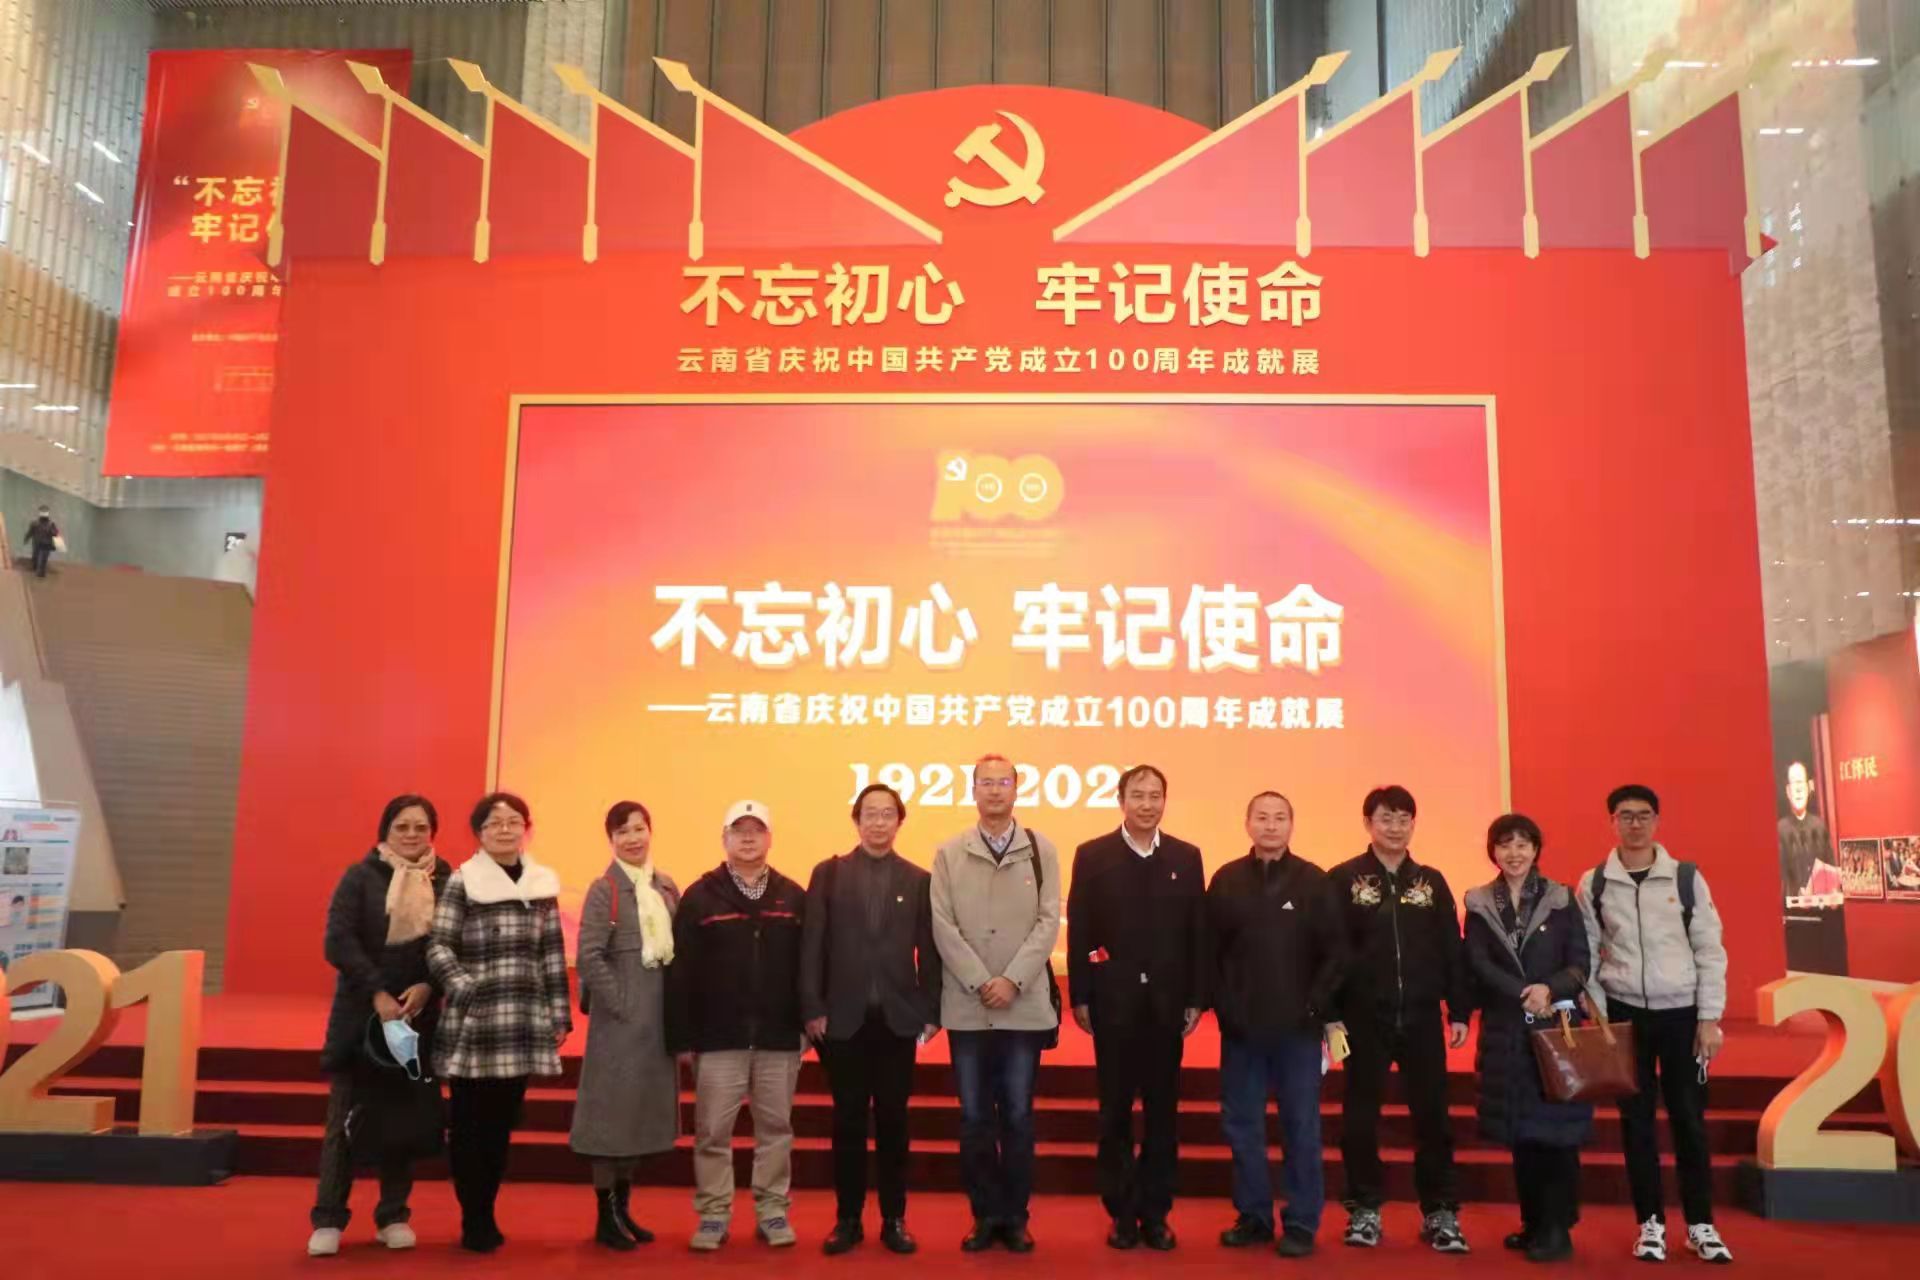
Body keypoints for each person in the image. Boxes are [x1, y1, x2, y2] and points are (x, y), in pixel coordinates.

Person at [1576, 785, 1733, 1264]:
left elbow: (1709, 949)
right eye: (1625, 816)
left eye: (1644, 815)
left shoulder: (1685, 879)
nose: (1635, 824)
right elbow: (1586, 955)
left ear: (1657, 821)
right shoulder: (1594, 883)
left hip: (1682, 1015)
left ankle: (1701, 1225)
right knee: (1636, 1123)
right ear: (1612, 822)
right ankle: (1650, 1224)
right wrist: (1599, 1015)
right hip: (1625, 1015)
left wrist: (1709, 1018)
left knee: (1689, 1121)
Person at [1066, 763, 1207, 1251]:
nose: (1147, 804)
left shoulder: (1186, 857)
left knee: (1163, 1115)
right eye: (1138, 795)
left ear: (1165, 801)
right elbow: (1082, 931)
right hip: (1114, 1005)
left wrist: (1196, 996)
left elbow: (1196, 932)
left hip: (1167, 1007)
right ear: (1121, 800)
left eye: (1155, 795)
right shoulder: (1093, 855)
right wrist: (1083, 992)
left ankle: (1156, 1212)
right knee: (1116, 1114)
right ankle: (1122, 1212)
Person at [1328, 784, 1472, 1253]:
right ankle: (1364, 1208)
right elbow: (1329, 952)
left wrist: (1459, 1009)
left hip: (1422, 1016)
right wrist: (1330, 1015)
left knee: (1433, 1116)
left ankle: (1440, 1210)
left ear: (1413, 824)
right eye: (1385, 818)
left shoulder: (1430, 882)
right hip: (1362, 1018)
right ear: (1367, 823)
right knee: (1360, 1118)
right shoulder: (1343, 879)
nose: (1395, 827)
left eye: (1403, 819)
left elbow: (1451, 948)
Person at [427, 792, 571, 1253]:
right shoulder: (463, 881)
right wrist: (465, 986)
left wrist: (559, 1014)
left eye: (513, 822)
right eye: (494, 823)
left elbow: (552, 953)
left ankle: (486, 1207)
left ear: (527, 829)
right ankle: (475, 1217)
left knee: (501, 1124)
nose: (505, 830)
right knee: (469, 1125)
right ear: (479, 833)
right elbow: (438, 945)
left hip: (521, 1020)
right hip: (477, 1021)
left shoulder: (541, 884)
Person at [802, 783, 942, 1256]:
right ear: (856, 820)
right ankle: (847, 1219)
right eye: (870, 814)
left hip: (897, 1022)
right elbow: (812, 947)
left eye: (887, 814)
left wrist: (930, 1010)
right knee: (847, 1123)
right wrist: (812, 1007)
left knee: (894, 1123)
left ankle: (894, 1219)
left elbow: (930, 952)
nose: (878, 822)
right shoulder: (828, 874)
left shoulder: (918, 879)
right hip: (843, 1021)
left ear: (900, 822)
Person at [930, 754, 1062, 1253]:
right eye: (985, 783)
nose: (994, 790)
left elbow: (1048, 922)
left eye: (1003, 782)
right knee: (974, 1117)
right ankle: (984, 1215)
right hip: (968, 1008)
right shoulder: (949, 853)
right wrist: (981, 980)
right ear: (973, 791)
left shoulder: (1041, 850)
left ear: (1016, 788)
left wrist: (1011, 979)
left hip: (1023, 1007)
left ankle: (1016, 1216)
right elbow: (942, 925)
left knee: (1019, 1116)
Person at [308, 794, 449, 1257]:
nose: (411, 835)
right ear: (385, 830)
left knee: (401, 1118)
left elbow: (451, 942)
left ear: (432, 832)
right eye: (401, 826)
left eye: (420, 827)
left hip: (416, 1017)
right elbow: (338, 941)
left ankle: (393, 1215)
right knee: (344, 1121)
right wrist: (377, 992)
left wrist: (428, 986)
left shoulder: (445, 878)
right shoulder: (360, 876)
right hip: (361, 1014)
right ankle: (328, 1218)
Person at [665, 799, 808, 1252]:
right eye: (739, 830)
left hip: (778, 1037)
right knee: (712, 1133)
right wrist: (681, 1035)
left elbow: (807, 967)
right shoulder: (700, 896)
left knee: (776, 1131)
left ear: (769, 838)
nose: (748, 837)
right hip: (718, 1038)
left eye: (756, 829)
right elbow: (681, 972)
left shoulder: (792, 895)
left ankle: (772, 1211)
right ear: (724, 838)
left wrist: (806, 1024)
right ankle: (713, 1214)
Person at [1208, 791, 1345, 1259]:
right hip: (1241, 1031)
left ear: (1291, 825)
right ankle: (1254, 1217)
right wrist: (1225, 1008)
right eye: (1262, 817)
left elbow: (1336, 955)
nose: (1271, 825)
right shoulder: (1226, 880)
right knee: (1242, 1126)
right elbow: (1210, 953)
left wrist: (1313, 1007)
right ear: (1247, 824)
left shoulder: (1314, 881)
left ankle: (1302, 1221)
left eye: (1280, 818)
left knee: (1300, 1126)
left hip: (1298, 1032)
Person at [1463, 814, 1594, 1264]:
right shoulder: (1480, 902)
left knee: (1557, 1134)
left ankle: (1558, 1227)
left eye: (1523, 844)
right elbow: (1477, 962)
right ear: (1493, 851)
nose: (1514, 853)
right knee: (1522, 1133)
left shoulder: (1560, 898)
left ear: (1536, 849)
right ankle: (1534, 1222)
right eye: (1505, 844)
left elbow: (1580, 962)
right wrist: (1523, 992)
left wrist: (1549, 990)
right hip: (1507, 1031)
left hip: (1555, 1029)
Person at [570, 800, 680, 1250]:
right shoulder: (604, 890)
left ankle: (623, 1209)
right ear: (611, 840)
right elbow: (588, 956)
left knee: (637, 1118)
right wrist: (621, 1004)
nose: (633, 838)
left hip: (658, 1025)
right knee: (609, 1119)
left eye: (638, 828)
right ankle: (605, 1214)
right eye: (622, 832)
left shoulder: (665, 886)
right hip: (618, 1027)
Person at [1777, 762, 1834, 899]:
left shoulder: (1819, 826)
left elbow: (1830, 867)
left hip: (1820, 905)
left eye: (1801, 783)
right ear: (1788, 791)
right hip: (1793, 907)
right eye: (1794, 784)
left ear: (1808, 788)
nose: (1798, 789)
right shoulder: (1780, 830)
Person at [23, 505, 58, 578]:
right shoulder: (50, 524)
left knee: (39, 558)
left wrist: (26, 539)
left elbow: (30, 533)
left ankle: (39, 572)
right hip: (44, 544)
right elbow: (55, 533)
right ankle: (38, 571)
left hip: (39, 544)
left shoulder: (35, 523)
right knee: (39, 558)